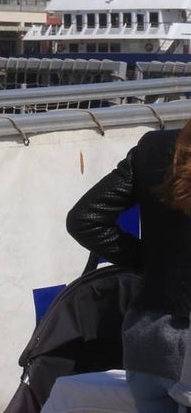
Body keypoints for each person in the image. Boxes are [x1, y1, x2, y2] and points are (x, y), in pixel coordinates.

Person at [66, 121, 191, 413]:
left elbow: (85, 219)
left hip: (146, 341)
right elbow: (86, 220)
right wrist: (152, 263)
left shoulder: (154, 146)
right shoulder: (157, 147)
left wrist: (154, 265)